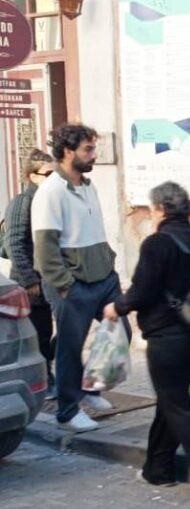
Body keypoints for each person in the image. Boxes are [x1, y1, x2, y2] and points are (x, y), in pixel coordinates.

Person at [104, 182, 190, 499]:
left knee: (177, 405)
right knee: (170, 401)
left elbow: (143, 291)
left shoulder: (157, 243)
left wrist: (117, 307)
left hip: (168, 338)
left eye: (152, 210)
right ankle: (158, 469)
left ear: (160, 209)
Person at [32, 123, 129, 433]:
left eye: (93, 147)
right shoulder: (50, 192)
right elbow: (45, 248)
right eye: (88, 149)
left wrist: (110, 267)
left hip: (103, 278)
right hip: (72, 283)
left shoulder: (88, 186)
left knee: (120, 331)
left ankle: (91, 387)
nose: (93, 154)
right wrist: (64, 286)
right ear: (67, 152)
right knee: (70, 348)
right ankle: (68, 410)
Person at [4, 148, 57, 399]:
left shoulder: (50, 199)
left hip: (50, 279)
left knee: (55, 332)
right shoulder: (23, 202)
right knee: (39, 333)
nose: (53, 178)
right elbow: (15, 243)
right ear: (32, 175)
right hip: (31, 284)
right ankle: (45, 378)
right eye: (48, 174)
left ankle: (49, 373)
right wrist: (29, 280)